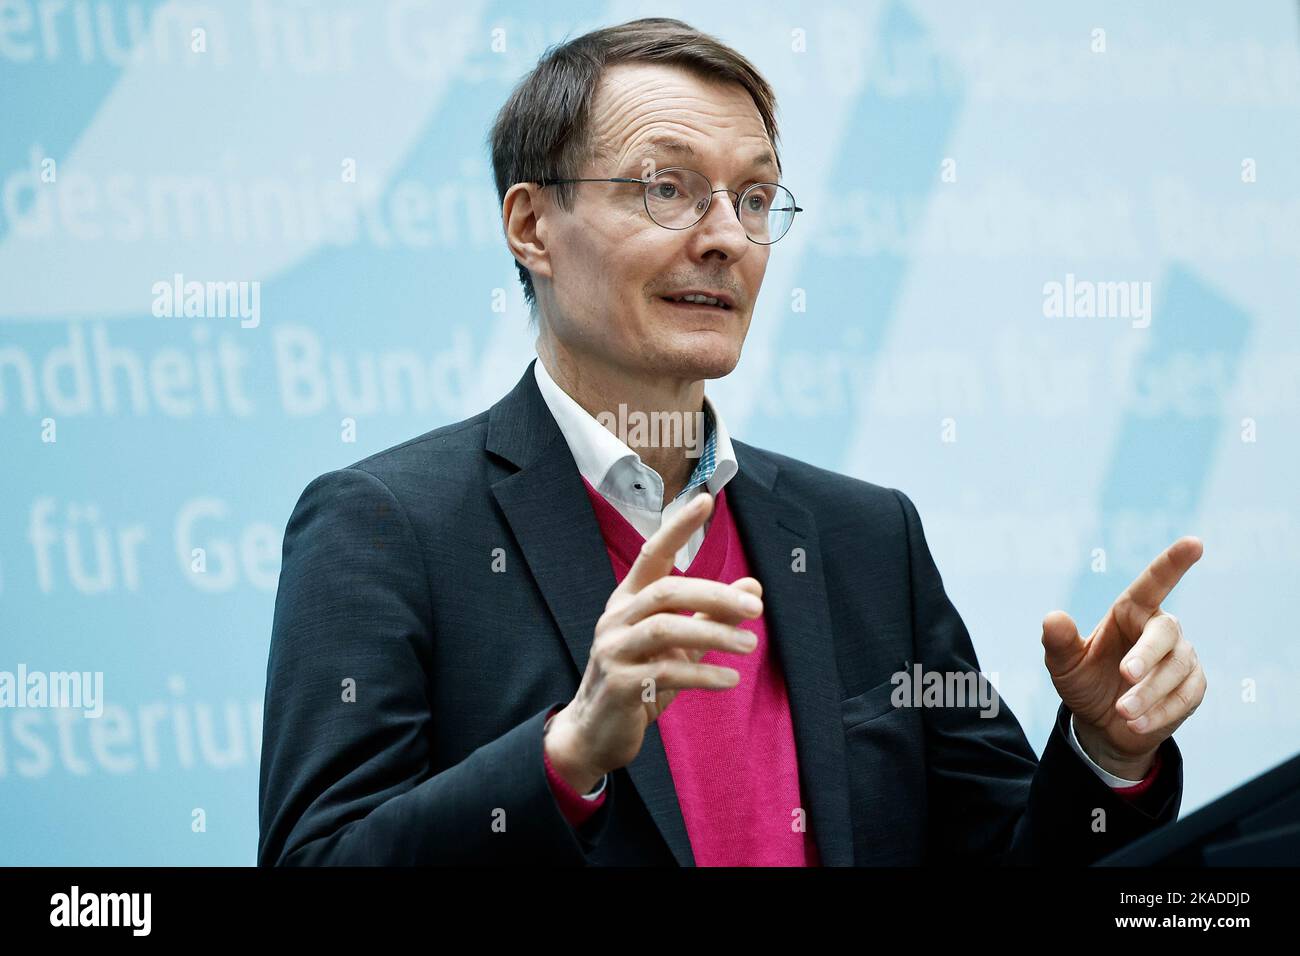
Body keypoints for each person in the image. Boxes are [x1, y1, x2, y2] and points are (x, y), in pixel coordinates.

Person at [257, 18, 1205, 866]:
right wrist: (567, 754)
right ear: (531, 225)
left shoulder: (867, 540)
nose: (726, 239)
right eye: (668, 188)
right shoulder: (386, 528)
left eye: (754, 201)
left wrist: (1107, 757)